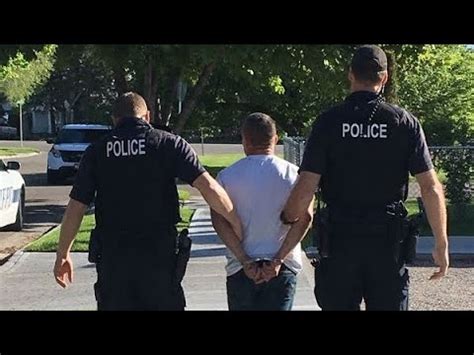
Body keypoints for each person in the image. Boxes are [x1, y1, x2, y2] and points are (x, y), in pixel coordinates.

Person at [281, 45, 449, 311]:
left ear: (350, 74)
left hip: (340, 243)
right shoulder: (404, 123)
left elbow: (307, 184)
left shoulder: (328, 122)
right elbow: (430, 187)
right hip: (387, 244)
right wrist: (441, 242)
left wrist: (287, 218)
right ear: (384, 78)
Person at [53, 92, 242, 310]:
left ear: (114, 119)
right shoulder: (169, 144)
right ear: (147, 116)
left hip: (114, 259)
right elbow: (208, 187)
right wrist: (235, 220)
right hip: (159, 257)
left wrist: (63, 254)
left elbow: (76, 207)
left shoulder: (97, 152)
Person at [211, 113, 313, 311]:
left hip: (241, 267)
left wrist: (244, 259)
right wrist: (279, 259)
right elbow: (306, 217)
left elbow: (219, 221)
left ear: (245, 140)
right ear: (275, 139)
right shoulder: (294, 175)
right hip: (282, 266)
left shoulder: (227, 177)